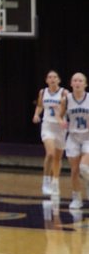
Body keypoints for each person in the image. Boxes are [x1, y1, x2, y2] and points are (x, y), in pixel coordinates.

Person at [32, 70, 67, 198]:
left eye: (55, 77)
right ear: (47, 80)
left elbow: (68, 108)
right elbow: (40, 106)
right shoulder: (43, 92)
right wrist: (36, 114)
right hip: (47, 126)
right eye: (50, 77)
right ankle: (46, 180)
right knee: (50, 153)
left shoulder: (64, 93)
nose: (52, 79)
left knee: (58, 158)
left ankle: (55, 182)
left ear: (59, 80)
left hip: (60, 128)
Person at [65, 72, 89, 213]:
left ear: (85, 84)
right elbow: (59, 113)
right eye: (75, 80)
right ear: (71, 83)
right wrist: (61, 120)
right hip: (73, 137)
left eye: (80, 80)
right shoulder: (66, 99)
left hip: (88, 137)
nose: (77, 82)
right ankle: (76, 198)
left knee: (84, 168)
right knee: (74, 171)